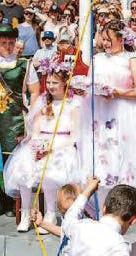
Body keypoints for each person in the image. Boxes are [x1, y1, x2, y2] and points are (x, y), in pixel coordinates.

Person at [77, 20, 136, 200]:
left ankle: (120, 204)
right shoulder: (97, 59)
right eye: (103, 39)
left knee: (120, 155)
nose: (105, 43)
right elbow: (91, 83)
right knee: (101, 158)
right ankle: (100, 204)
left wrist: (118, 92)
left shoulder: (132, 58)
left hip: (123, 112)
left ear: (120, 39)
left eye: (108, 39)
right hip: (99, 112)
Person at [4, 63, 81, 232]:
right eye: (49, 82)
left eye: (55, 83)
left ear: (64, 83)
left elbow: (75, 132)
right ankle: (25, 213)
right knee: (23, 172)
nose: (51, 86)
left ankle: (50, 214)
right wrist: (36, 143)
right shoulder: (43, 101)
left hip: (62, 144)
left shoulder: (73, 103)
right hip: (42, 142)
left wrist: (55, 146)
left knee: (49, 176)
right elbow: (36, 127)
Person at [0, 24, 41, 217]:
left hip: (17, 119)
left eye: (11, 42)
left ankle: (17, 201)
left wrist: (31, 119)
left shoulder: (25, 64)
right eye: (3, 42)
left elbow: (35, 92)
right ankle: (1, 200)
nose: (8, 45)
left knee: (16, 161)